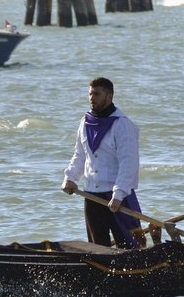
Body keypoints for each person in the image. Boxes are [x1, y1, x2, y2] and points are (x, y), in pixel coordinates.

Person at [61, 77, 144, 247]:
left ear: (109, 96)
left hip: (118, 198)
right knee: (97, 248)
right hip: (92, 194)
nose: (92, 98)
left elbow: (129, 163)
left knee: (130, 247)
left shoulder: (122, 124)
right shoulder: (85, 122)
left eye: (97, 94)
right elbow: (80, 155)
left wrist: (119, 194)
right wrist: (70, 178)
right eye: (90, 93)